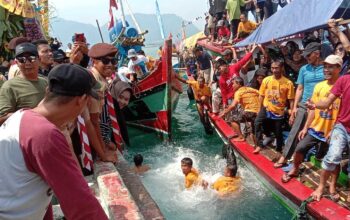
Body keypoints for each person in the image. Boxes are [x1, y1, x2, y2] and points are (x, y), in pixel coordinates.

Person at [0, 64, 108, 220]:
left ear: (47, 91)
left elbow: (34, 188)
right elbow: (81, 206)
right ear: (82, 100)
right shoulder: (44, 134)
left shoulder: (20, 117)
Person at [281, 55, 342, 186]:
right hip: (317, 128)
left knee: (333, 159)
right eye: (325, 67)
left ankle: (332, 185)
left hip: (334, 131)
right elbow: (313, 109)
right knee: (300, 148)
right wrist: (305, 128)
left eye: (330, 67)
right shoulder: (319, 86)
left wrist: (335, 130)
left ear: (339, 68)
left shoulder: (344, 87)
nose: (326, 70)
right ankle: (295, 169)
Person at [274, 42, 324, 167]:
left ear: (317, 54)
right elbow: (300, 88)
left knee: (321, 132)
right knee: (295, 129)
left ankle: (318, 157)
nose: (306, 58)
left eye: (309, 55)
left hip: (321, 106)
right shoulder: (304, 69)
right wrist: (295, 106)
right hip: (304, 104)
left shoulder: (325, 68)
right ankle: (285, 157)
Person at [308, 68, 350, 202]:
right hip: (342, 126)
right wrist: (314, 104)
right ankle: (321, 187)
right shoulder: (344, 80)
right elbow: (327, 102)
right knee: (332, 156)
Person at [0, 43, 47, 125]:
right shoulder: (9, 86)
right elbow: (2, 118)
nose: (27, 63)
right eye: (22, 59)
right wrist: (32, 113)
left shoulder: (46, 82)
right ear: (17, 62)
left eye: (31, 58)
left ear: (39, 60)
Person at [254, 59, 295, 154]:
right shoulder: (266, 80)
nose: (274, 70)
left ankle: (279, 149)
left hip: (279, 111)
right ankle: (259, 145)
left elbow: (291, 100)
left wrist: (292, 112)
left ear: (281, 68)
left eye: (276, 68)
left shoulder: (288, 83)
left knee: (278, 132)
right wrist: (259, 109)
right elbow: (261, 95)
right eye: (272, 68)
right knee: (257, 123)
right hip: (266, 107)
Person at [88, 43, 118, 151]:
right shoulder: (94, 81)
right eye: (105, 61)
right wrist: (103, 150)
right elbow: (94, 122)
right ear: (94, 61)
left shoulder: (102, 80)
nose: (110, 64)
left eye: (113, 61)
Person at [220, 76, 260, 142]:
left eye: (233, 84)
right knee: (252, 128)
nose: (232, 85)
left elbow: (233, 105)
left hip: (250, 112)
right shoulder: (251, 89)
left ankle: (241, 137)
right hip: (259, 112)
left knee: (232, 119)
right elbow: (261, 95)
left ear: (238, 84)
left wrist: (225, 112)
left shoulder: (238, 92)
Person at [218, 44, 256, 109]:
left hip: (241, 92)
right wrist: (224, 103)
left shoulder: (234, 67)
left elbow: (244, 60)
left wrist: (252, 50)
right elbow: (223, 92)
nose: (218, 70)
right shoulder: (221, 79)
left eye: (219, 68)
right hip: (231, 98)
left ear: (224, 66)